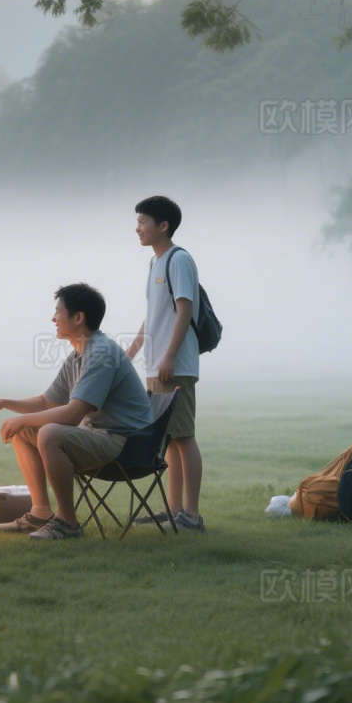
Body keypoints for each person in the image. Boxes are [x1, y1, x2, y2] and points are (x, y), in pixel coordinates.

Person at [0, 283, 153, 540]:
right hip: (103, 437)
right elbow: (47, 401)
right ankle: (40, 513)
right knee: (24, 430)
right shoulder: (77, 356)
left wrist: (22, 419)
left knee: (49, 434)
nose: (54, 318)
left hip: (128, 444)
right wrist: (6, 403)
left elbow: (72, 414)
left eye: (58, 311)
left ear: (78, 317)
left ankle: (67, 523)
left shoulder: (101, 352)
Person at [124, 195, 205, 532]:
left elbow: (184, 310)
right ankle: (174, 510)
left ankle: (192, 516)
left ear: (163, 225)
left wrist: (169, 355)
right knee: (169, 438)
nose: (137, 228)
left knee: (184, 436)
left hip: (175, 365)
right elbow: (154, 315)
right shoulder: (154, 263)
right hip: (156, 365)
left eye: (142, 222)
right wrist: (131, 351)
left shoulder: (178, 259)